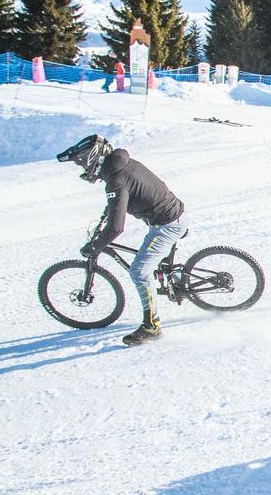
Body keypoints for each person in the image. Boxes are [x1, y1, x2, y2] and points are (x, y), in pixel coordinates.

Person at [57, 135, 189, 347]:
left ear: (93, 160)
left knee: (139, 271)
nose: (81, 167)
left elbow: (117, 227)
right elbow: (117, 204)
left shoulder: (116, 181)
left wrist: (95, 246)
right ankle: (178, 279)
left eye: (81, 162)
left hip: (168, 224)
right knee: (150, 262)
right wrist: (104, 219)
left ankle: (151, 327)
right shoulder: (120, 165)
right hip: (172, 213)